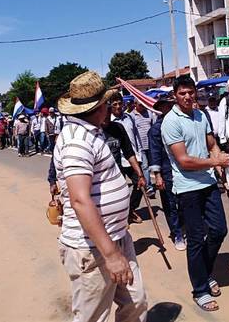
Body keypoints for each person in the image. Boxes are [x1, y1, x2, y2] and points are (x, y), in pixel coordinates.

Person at [53, 71, 148, 322]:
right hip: (93, 249)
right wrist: (111, 255)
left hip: (115, 237)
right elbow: (80, 200)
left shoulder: (92, 133)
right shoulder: (77, 141)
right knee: (93, 316)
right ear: (100, 107)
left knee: (136, 301)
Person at [161, 75, 229, 312]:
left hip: (209, 183)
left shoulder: (201, 115)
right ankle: (200, 289)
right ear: (175, 95)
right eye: (183, 93)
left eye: (191, 92)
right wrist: (215, 162)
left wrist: (222, 171)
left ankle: (205, 270)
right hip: (188, 188)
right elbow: (184, 161)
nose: (188, 97)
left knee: (220, 229)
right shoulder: (170, 122)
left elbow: (212, 144)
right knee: (196, 239)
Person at [147, 96, 185, 251]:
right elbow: (154, 153)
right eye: (165, 106)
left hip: (183, 169)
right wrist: (157, 175)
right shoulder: (156, 129)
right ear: (160, 108)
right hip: (166, 170)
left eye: (170, 105)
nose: (168, 108)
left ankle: (184, 228)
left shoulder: (180, 122)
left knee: (184, 201)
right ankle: (177, 234)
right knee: (170, 205)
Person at [111, 93, 145, 221]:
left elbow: (136, 137)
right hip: (116, 160)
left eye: (120, 103)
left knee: (140, 185)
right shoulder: (108, 121)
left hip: (132, 158)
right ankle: (120, 215)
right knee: (120, 190)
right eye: (115, 104)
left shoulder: (130, 118)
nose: (118, 106)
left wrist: (140, 154)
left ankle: (131, 210)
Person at [130, 99, 156, 196]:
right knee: (145, 167)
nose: (143, 106)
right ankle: (149, 188)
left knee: (153, 166)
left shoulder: (149, 113)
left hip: (151, 144)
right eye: (140, 105)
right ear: (135, 104)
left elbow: (153, 127)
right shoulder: (132, 116)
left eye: (143, 105)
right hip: (140, 146)